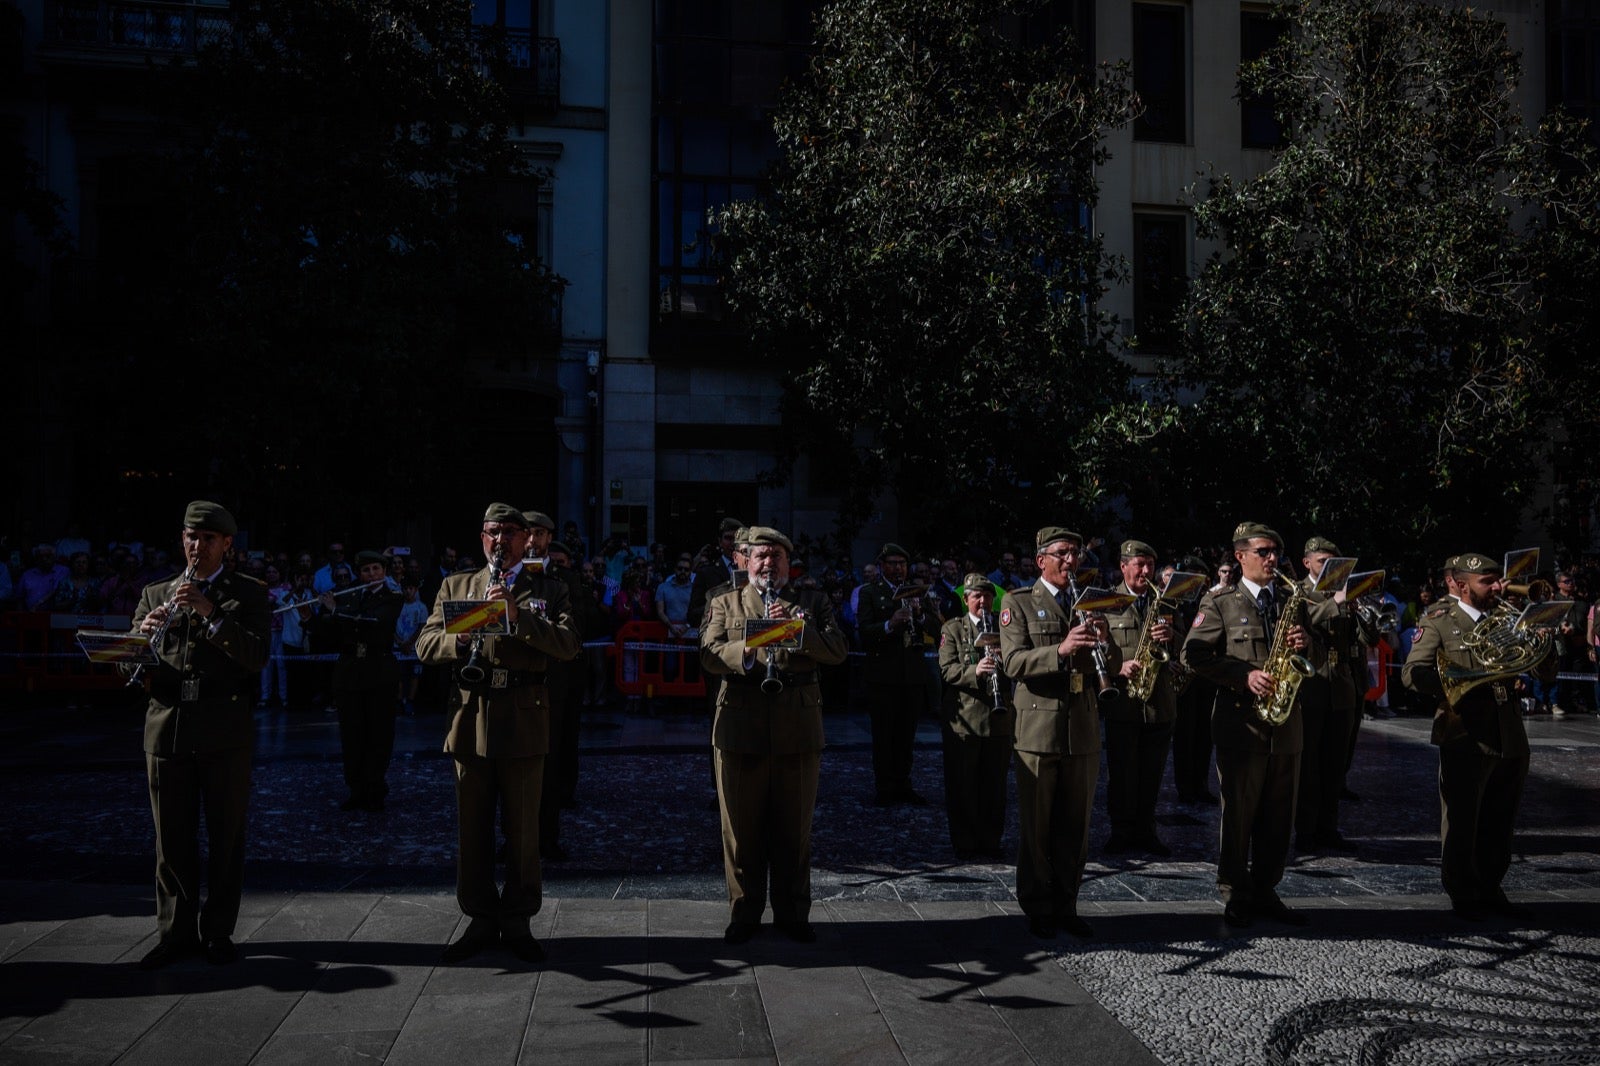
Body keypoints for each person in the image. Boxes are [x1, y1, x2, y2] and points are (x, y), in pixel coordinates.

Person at [415, 503, 580, 964]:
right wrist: (465, 631)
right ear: (481, 537)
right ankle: (480, 917)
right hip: (470, 716)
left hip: (524, 715)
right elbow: (426, 644)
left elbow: (568, 645)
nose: (501, 540)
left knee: (524, 829)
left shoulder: (549, 588)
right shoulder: (457, 585)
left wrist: (517, 615)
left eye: (510, 532)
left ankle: (519, 918)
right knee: (473, 827)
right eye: (493, 532)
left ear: (526, 538)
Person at [126, 501, 269, 969]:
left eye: (208, 538)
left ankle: (218, 932)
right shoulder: (155, 593)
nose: (197, 546)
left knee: (225, 838)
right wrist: (143, 642)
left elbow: (254, 656)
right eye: (191, 536)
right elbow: (131, 665)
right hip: (167, 727)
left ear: (227, 544)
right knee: (171, 840)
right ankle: (174, 933)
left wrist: (211, 612)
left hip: (224, 729)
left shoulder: (248, 593)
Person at [1181, 522, 1338, 930]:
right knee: (1239, 813)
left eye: (1276, 553)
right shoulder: (1220, 602)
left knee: (1279, 815)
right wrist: (1243, 675)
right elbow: (1192, 656)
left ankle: (1267, 889)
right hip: (1241, 724)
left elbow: (1319, 657)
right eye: (1264, 552)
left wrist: (1310, 645)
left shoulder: (1293, 599)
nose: (1273, 559)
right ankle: (1235, 891)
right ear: (1241, 556)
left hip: (1287, 725)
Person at [699, 525, 849, 944]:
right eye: (760, 556)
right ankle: (744, 912)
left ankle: (792, 913)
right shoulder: (724, 602)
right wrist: (746, 649)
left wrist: (800, 633)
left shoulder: (812, 602)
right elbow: (708, 655)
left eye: (776, 557)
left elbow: (837, 651)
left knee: (793, 829)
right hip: (740, 726)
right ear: (746, 560)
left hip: (797, 729)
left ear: (788, 563)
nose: (768, 564)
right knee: (740, 832)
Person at [1402, 552, 1555, 920]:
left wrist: (1543, 641)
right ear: (1458, 584)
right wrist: (1457, 683)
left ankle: (1491, 885)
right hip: (1465, 732)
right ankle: (1463, 892)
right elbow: (1412, 673)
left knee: (1501, 818)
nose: (1498, 586)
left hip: (1509, 731)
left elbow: (1545, 675)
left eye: (1496, 579)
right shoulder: (1439, 620)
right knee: (1463, 819)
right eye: (1487, 581)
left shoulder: (1505, 620)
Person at [999, 526, 1122, 939]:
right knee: (1037, 826)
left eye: (1077, 555)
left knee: (1076, 825)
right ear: (1041, 560)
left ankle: (1066, 904)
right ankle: (1037, 906)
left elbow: (1114, 662)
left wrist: (1106, 641)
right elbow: (1013, 662)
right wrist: (1061, 650)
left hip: (1082, 728)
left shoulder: (1088, 602)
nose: (1072, 562)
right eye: (1063, 554)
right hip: (1038, 729)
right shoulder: (1018, 602)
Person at [308, 550, 404, 812]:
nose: (371, 575)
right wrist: (310, 617)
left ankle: (375, 789)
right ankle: (356, 789)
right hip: (350, 674)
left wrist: (336, 611)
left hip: (379, 673)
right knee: (352, 734)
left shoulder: (393, 597)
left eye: (375, 569)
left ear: (384, 572)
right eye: (366, 571)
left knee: (379, 734)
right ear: (359, 574)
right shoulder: (350, 596)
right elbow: (331, 631)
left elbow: (375, 624)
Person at [1103, 540, 1178, 857]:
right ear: (1124, 566)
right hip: (1124, 703)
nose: (1147, 572)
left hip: (1158, 702)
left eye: (1150, 565)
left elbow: (1186, 647)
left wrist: (1173, 638)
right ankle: (1120, 832)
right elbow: (1094, 650)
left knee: (1152, 775)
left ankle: (1146, 831)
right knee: (1122, 774)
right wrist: (1117, 666)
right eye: (1139, 565)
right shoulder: (1106, 603)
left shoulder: (1165, 603)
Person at [936, 574, 1014, 860]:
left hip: (998, 719)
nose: (983, 601)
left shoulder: (1005, 629)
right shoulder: (953, 628)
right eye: (977, 596)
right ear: (966, 599)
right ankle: (965, 842)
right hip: (965, 721)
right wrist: (975, 672)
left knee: (994, 786)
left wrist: (1004, 660)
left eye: (987, 596)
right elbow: (946, 670)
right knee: (963, 785)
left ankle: (990, 840)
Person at [1295, 536, 1364, 854]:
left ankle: (1328, 826)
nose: (1329, 568)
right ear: (1307, 562)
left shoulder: (1344, 594)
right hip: (1311, 686)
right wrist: (1335, 602)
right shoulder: (1297, 591)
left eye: (1335, 563)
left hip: (1343, 687)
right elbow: (1303, 624)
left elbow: (1370, 637)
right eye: (1323, 561)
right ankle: (1305, 829)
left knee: (1336, 765)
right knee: (1308, 765)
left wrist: (1360, 609)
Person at [856, 543, 940, 806]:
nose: (897, 569)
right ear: (882, 566)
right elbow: (864, 632)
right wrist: (889, 624)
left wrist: (920, 615)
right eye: (892, 564)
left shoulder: (918, 592)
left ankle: (904, 783)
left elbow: (937, 628)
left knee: (906, 734)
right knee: (884, 734)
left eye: (902, 564)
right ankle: (885, 786)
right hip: (883, 674)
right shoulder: (871, 592)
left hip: (912, 674)